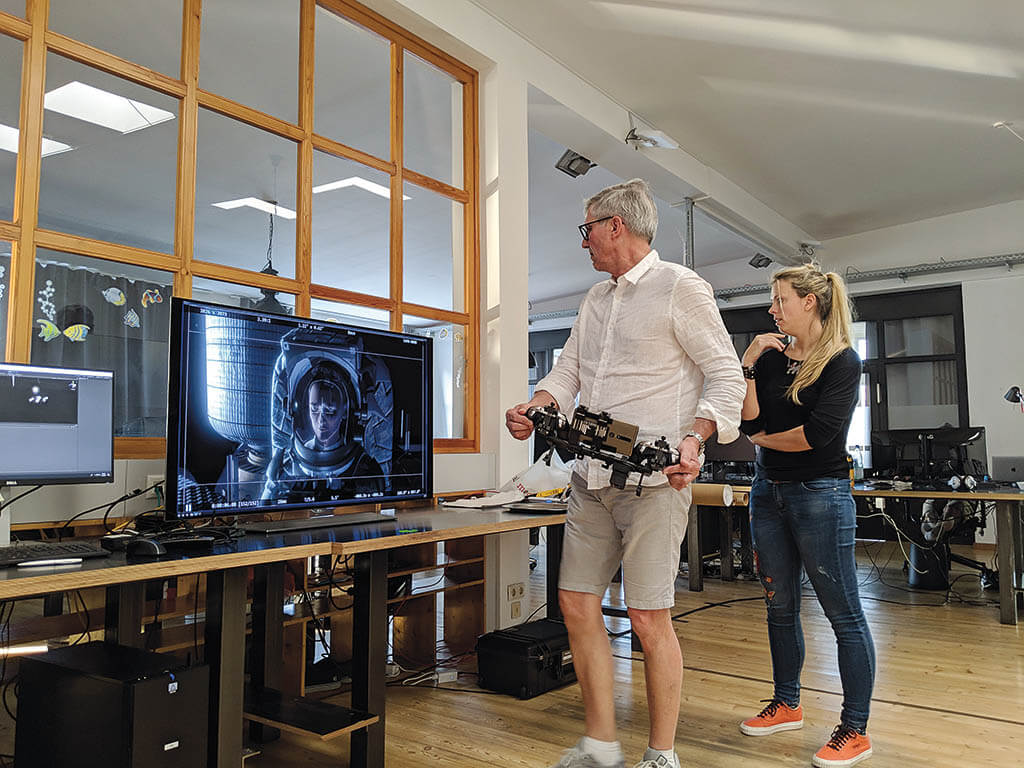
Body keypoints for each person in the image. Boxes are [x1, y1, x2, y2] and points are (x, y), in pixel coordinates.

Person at [505, 179, 745, 768]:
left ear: (616, 225)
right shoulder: (596, 300)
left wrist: (696, 437)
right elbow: (568, 372)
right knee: (577, 604)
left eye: (587, 228)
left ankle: (661, 754)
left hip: (655, 487)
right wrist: (537, 405)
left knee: (648, 616)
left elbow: (726, 377)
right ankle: (601, 744)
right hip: (589, 480)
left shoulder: (680, 288)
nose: (583, 241)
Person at [737, 264, 875, 767]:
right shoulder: (771, 358)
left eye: (780, 300)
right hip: (767, 492)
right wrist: (748, 364)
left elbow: (815, 437)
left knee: (844, 615)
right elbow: (749, 419)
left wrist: (760, 441)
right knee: (779, 606)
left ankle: (854, 729)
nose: (772, 309)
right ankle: (787, 703)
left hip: (821, 493)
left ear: (809, 302)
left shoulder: (842, 361)